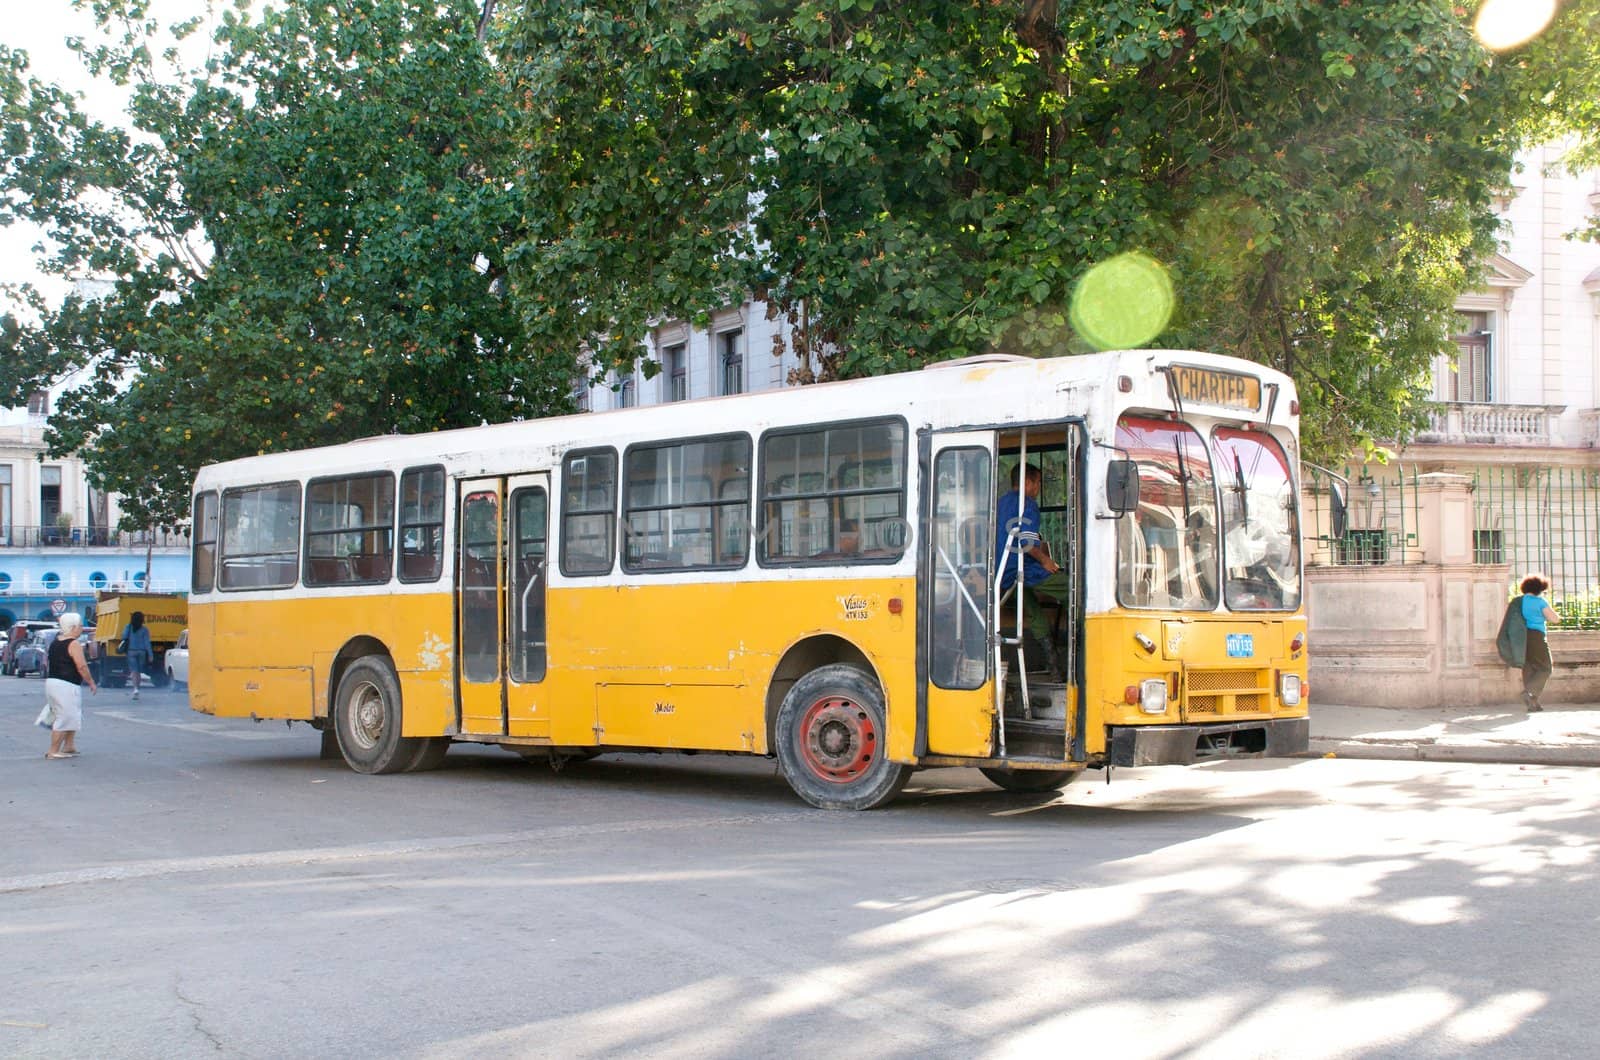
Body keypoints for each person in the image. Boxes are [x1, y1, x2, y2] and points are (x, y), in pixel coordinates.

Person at [995, 463, 1070, 676]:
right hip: (1020, 569)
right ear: (1027, 483)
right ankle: (1080, 648)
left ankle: (1053, 667)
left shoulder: (1000, 503)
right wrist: (1046, 561)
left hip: (1002, 574)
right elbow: (1026, 543)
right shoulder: (1026, 504)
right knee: (1076, 592)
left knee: (1033, 612)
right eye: (1037, 483)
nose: (1038, 488)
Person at [44, 611, 98, 759]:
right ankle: (53, 750)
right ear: (73, 627)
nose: (81, 628)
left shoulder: (56, 642)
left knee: (72, 714)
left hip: (53, 682)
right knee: (65, 716)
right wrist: (91, 682)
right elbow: (81, 666)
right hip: (65, 684)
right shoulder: (73, 644)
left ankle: (69, 745)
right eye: (80, 625)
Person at [1517, 574, 1559, 712]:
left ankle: (1533, 702)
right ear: (1540, 588)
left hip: (1522, 637)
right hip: (1536, 635)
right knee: (1545, 667)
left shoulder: (1519, 601)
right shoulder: (1540, 601)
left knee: (1529, 668)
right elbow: (1554, 619)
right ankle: (1529, 692)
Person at [121, 610, 153, 701]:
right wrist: (150, 655)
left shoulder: (129, 627)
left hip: (131, 651)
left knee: (134, 671)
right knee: (138, 671)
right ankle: (137, 688)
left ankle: (135, 689)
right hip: (142, 652)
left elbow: (123, 636)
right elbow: (147, 643)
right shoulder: (145, 629)